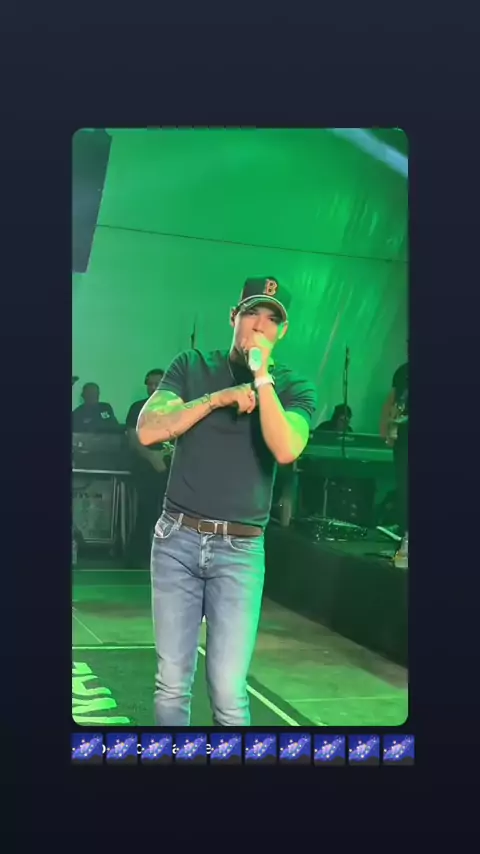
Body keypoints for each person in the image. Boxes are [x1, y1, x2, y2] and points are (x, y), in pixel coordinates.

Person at [137, 277, 317, 726]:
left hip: (239, 551)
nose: (259, 325)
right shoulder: (192, 364)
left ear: (282, 332)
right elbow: (149, 429)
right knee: (171, 682)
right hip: (177, 538)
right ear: (233, 316)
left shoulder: (294, 387)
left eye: (271, 319)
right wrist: (217, 399)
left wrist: (262, 378)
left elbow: (286, 448)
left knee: (228, 690)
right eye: (252, 313)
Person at [125, 369, 170, 567]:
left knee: (171, 512)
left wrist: (166, 455)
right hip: (145, 465)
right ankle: (137, 555)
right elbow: (132, 440)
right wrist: (152, 457)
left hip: (171, 463)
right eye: (150, 384)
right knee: (147, 508)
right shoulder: (137, 408)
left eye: (157, 384)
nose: (153, 388)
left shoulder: (176, 407)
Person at [380, 362, 408, 567]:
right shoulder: (403, 371)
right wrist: (388, 428)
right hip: (403, 440)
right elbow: (394, 401)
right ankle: (404, 539)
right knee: (404, 488)